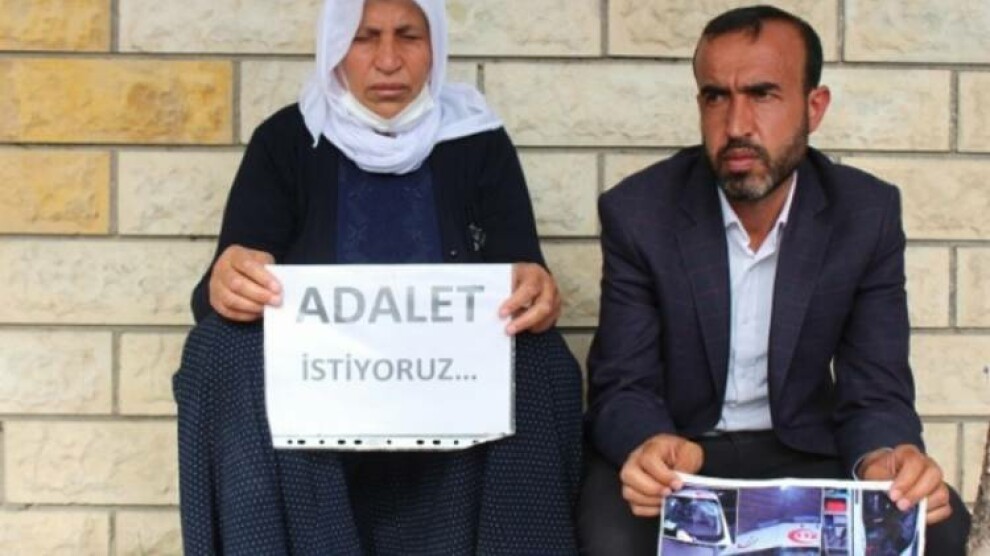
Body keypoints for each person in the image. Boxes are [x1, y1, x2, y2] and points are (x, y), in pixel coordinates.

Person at [174, 0, 582, 553]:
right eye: (364, 38)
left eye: (408, 36)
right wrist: (227, 282)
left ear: (435, 46)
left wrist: (535, 289)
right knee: (219, 348)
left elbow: (522, 275)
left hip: (449, 408)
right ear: (333, 47)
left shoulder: (477, 142)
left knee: (540, 357)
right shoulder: (288, 141)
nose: (388, 60)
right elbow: (223, 285)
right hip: (313, 425)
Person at [577, 5, 971, 555]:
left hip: (806, 451)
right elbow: (623, 383)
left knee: (937, 528)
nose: (736, 125)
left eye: (762, 94)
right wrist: (648, 444)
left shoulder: (865, 214)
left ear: (814, 106)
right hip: (681, 455)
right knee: (611, 538)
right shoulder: (640, 212)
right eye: (716, 96)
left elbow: (876, 388)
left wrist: (886, 457)